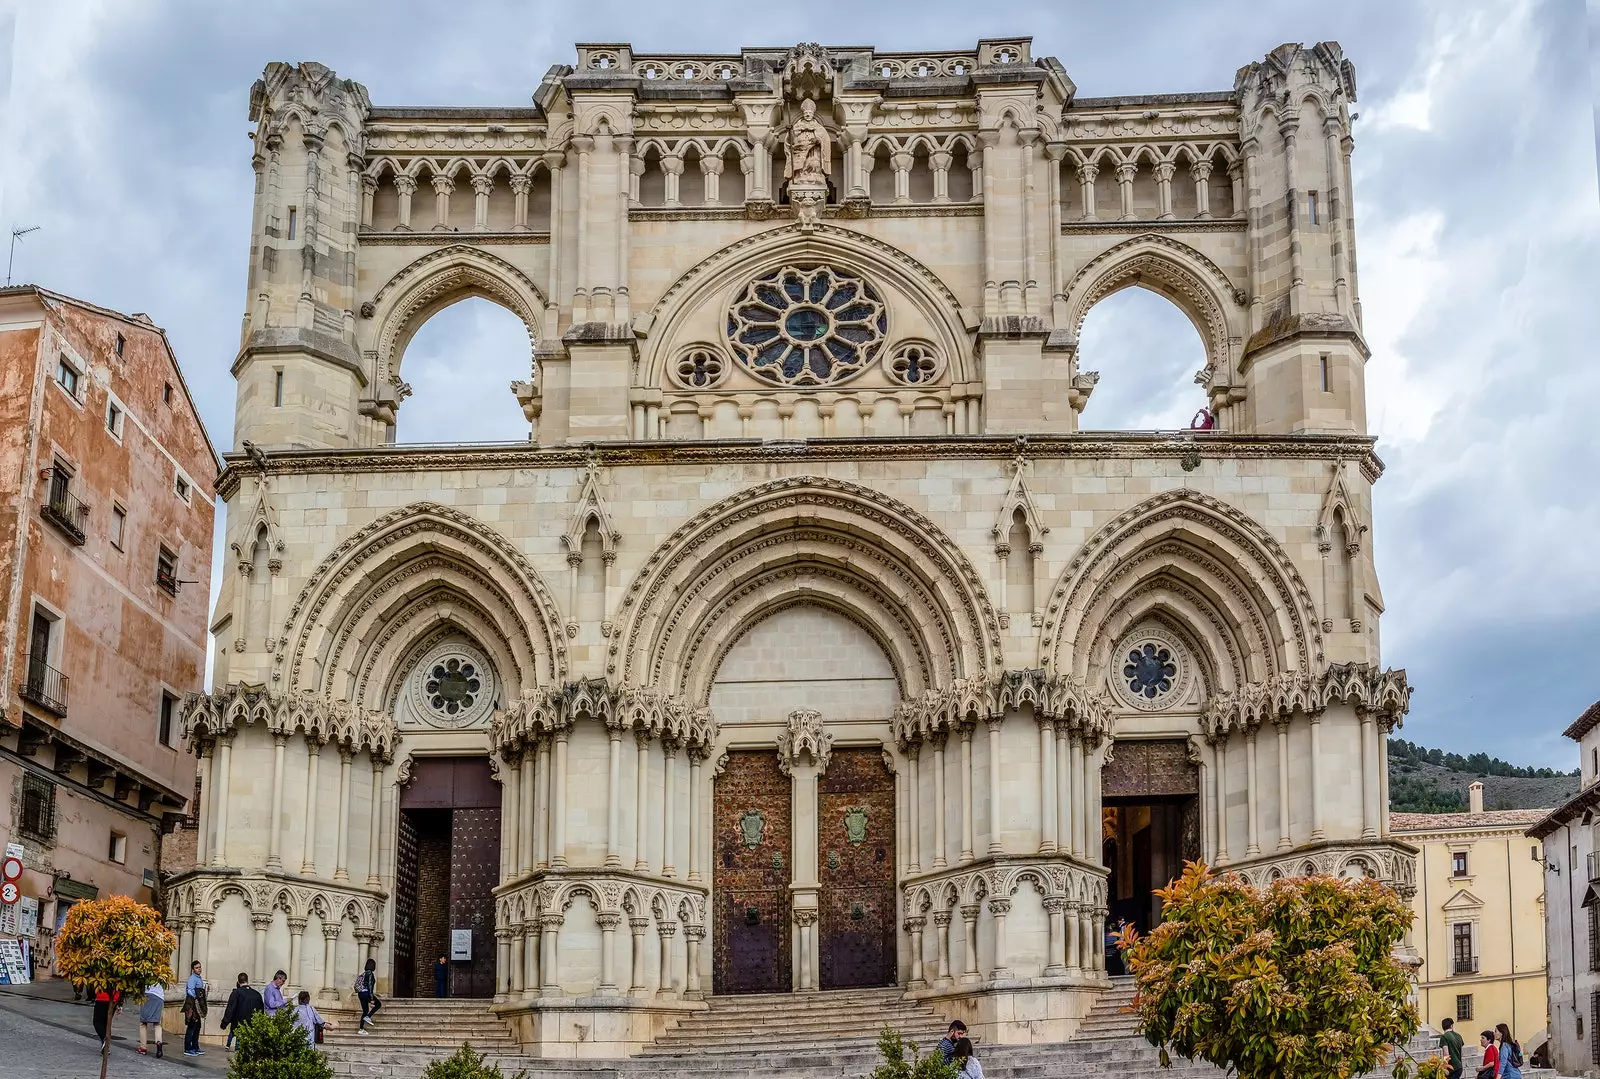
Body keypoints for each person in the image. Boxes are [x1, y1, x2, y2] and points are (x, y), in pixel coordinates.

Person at [220, 972, 264, 1049]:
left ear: (238, 982)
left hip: (240, 1027)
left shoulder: (236, 993)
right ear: (247, 981)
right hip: (253, 1028)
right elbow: (261, 1012)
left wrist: (224, 1023)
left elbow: (230, 1010)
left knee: (240, 1050)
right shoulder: (257, 994)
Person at [182, 961, 208, 1057]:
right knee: (192, 1027)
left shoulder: (199, 978)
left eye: (200, 967)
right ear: (193, 969)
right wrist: (196, 998)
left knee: (197, 1027)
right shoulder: (192, 979)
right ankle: (188, 1048)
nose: (199, 969)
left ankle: (195, 1047)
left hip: (197, 1005)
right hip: (193, 1005)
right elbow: (190, 990)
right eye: (197, 968)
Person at [137, 981, 165, 1057]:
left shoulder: (146, 970)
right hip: (159, 996)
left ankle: (143, 1048)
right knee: (157, 1023)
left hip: (148, 995)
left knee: (143, 1023)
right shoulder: (161, 970)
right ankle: (159, 1043)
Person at [355, 957, 381, 1033]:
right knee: (378, 1004)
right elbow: (370, 986)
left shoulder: (363, 973)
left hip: (360, 994)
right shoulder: (370, 974)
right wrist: (372, 998)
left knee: (365, 1010)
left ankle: (361, 1029)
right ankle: (368, 1017)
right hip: (366, 993)